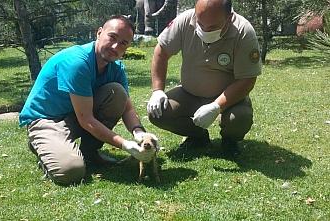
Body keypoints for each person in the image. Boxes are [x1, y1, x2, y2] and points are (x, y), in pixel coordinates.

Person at [19, 15, 157, 185]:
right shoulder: (77, 62)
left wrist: (138, 132)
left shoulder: (115, 68)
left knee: (117, 93)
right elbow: (86, 120)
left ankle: (89, 153)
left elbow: (127, 108)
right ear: (99, 33)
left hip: (77, 115)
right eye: (112, 37)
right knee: (71, 172)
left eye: (123, 43)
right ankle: (41, 143)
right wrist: (125, 145)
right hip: (47, 120)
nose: (115, 46)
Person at [147, 0, 262, 155]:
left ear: (229, 18)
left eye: (213, 27)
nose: (205, 30)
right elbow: (161, 51)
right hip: (190, 93)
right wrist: (157, 91)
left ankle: (230, 140)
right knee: (159, 113)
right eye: (200, 23)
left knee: (239, 119)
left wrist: (217, 106)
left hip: (228, 98)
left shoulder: (244, 31)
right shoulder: (185, 20)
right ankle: (198, 136)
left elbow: (247, 79)